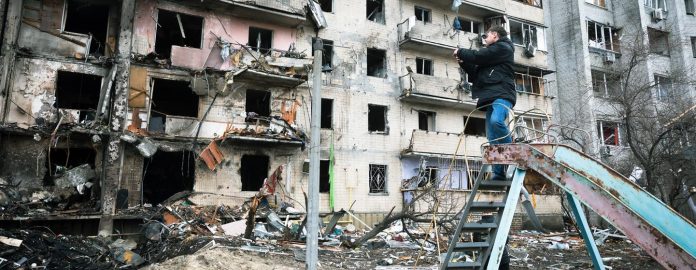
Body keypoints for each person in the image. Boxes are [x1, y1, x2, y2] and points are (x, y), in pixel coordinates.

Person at [454, 25, 516, 181]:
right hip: (489, 97)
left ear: (495, 35)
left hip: (502, 94)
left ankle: (514, 150)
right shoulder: (491, 57)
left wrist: (461, 51)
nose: (484, 39)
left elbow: (479, 56)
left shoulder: (503, 48)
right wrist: (463, 62)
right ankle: (499, 173)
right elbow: (476, 75)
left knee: (496, 121)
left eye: (485, 36)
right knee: (492, 137)